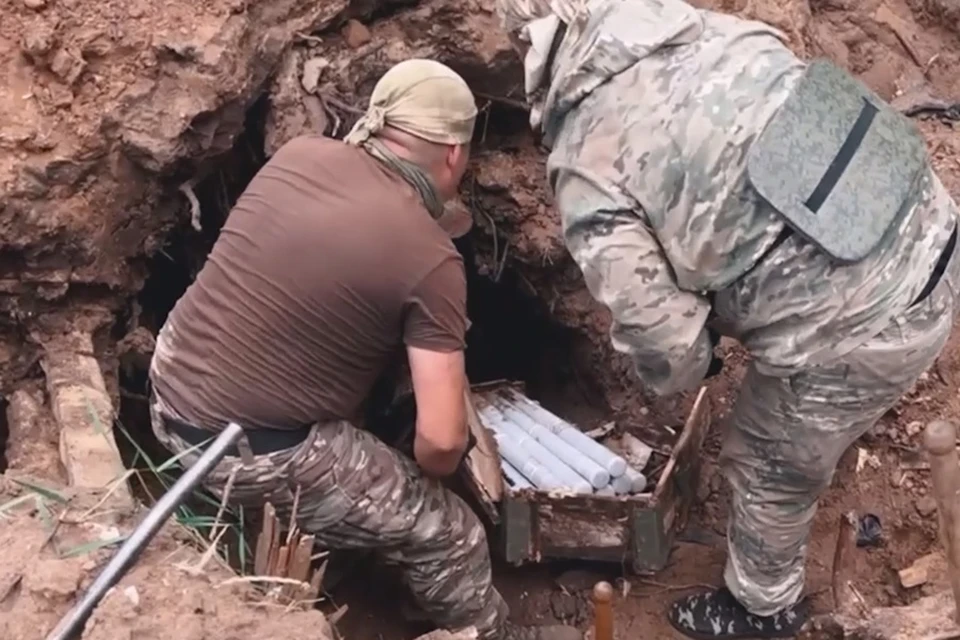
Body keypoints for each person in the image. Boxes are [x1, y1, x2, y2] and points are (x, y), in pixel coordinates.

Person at [493, 0, 960, 637]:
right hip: (936, 228)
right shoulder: (719, 33)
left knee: (766, 459)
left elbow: (663, 339)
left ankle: (763, 608)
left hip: (869, 328)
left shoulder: (587, 164)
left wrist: (695, 361)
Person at [147, 59, 580, 640]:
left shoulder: (300, 154)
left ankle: (347, 545)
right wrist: (439, 476)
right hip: (243, 454)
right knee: (449, 531)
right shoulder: (430, 259)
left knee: (367, 431)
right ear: (454, 154)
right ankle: (487, 632)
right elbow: (442, 442)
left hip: (168, 391)